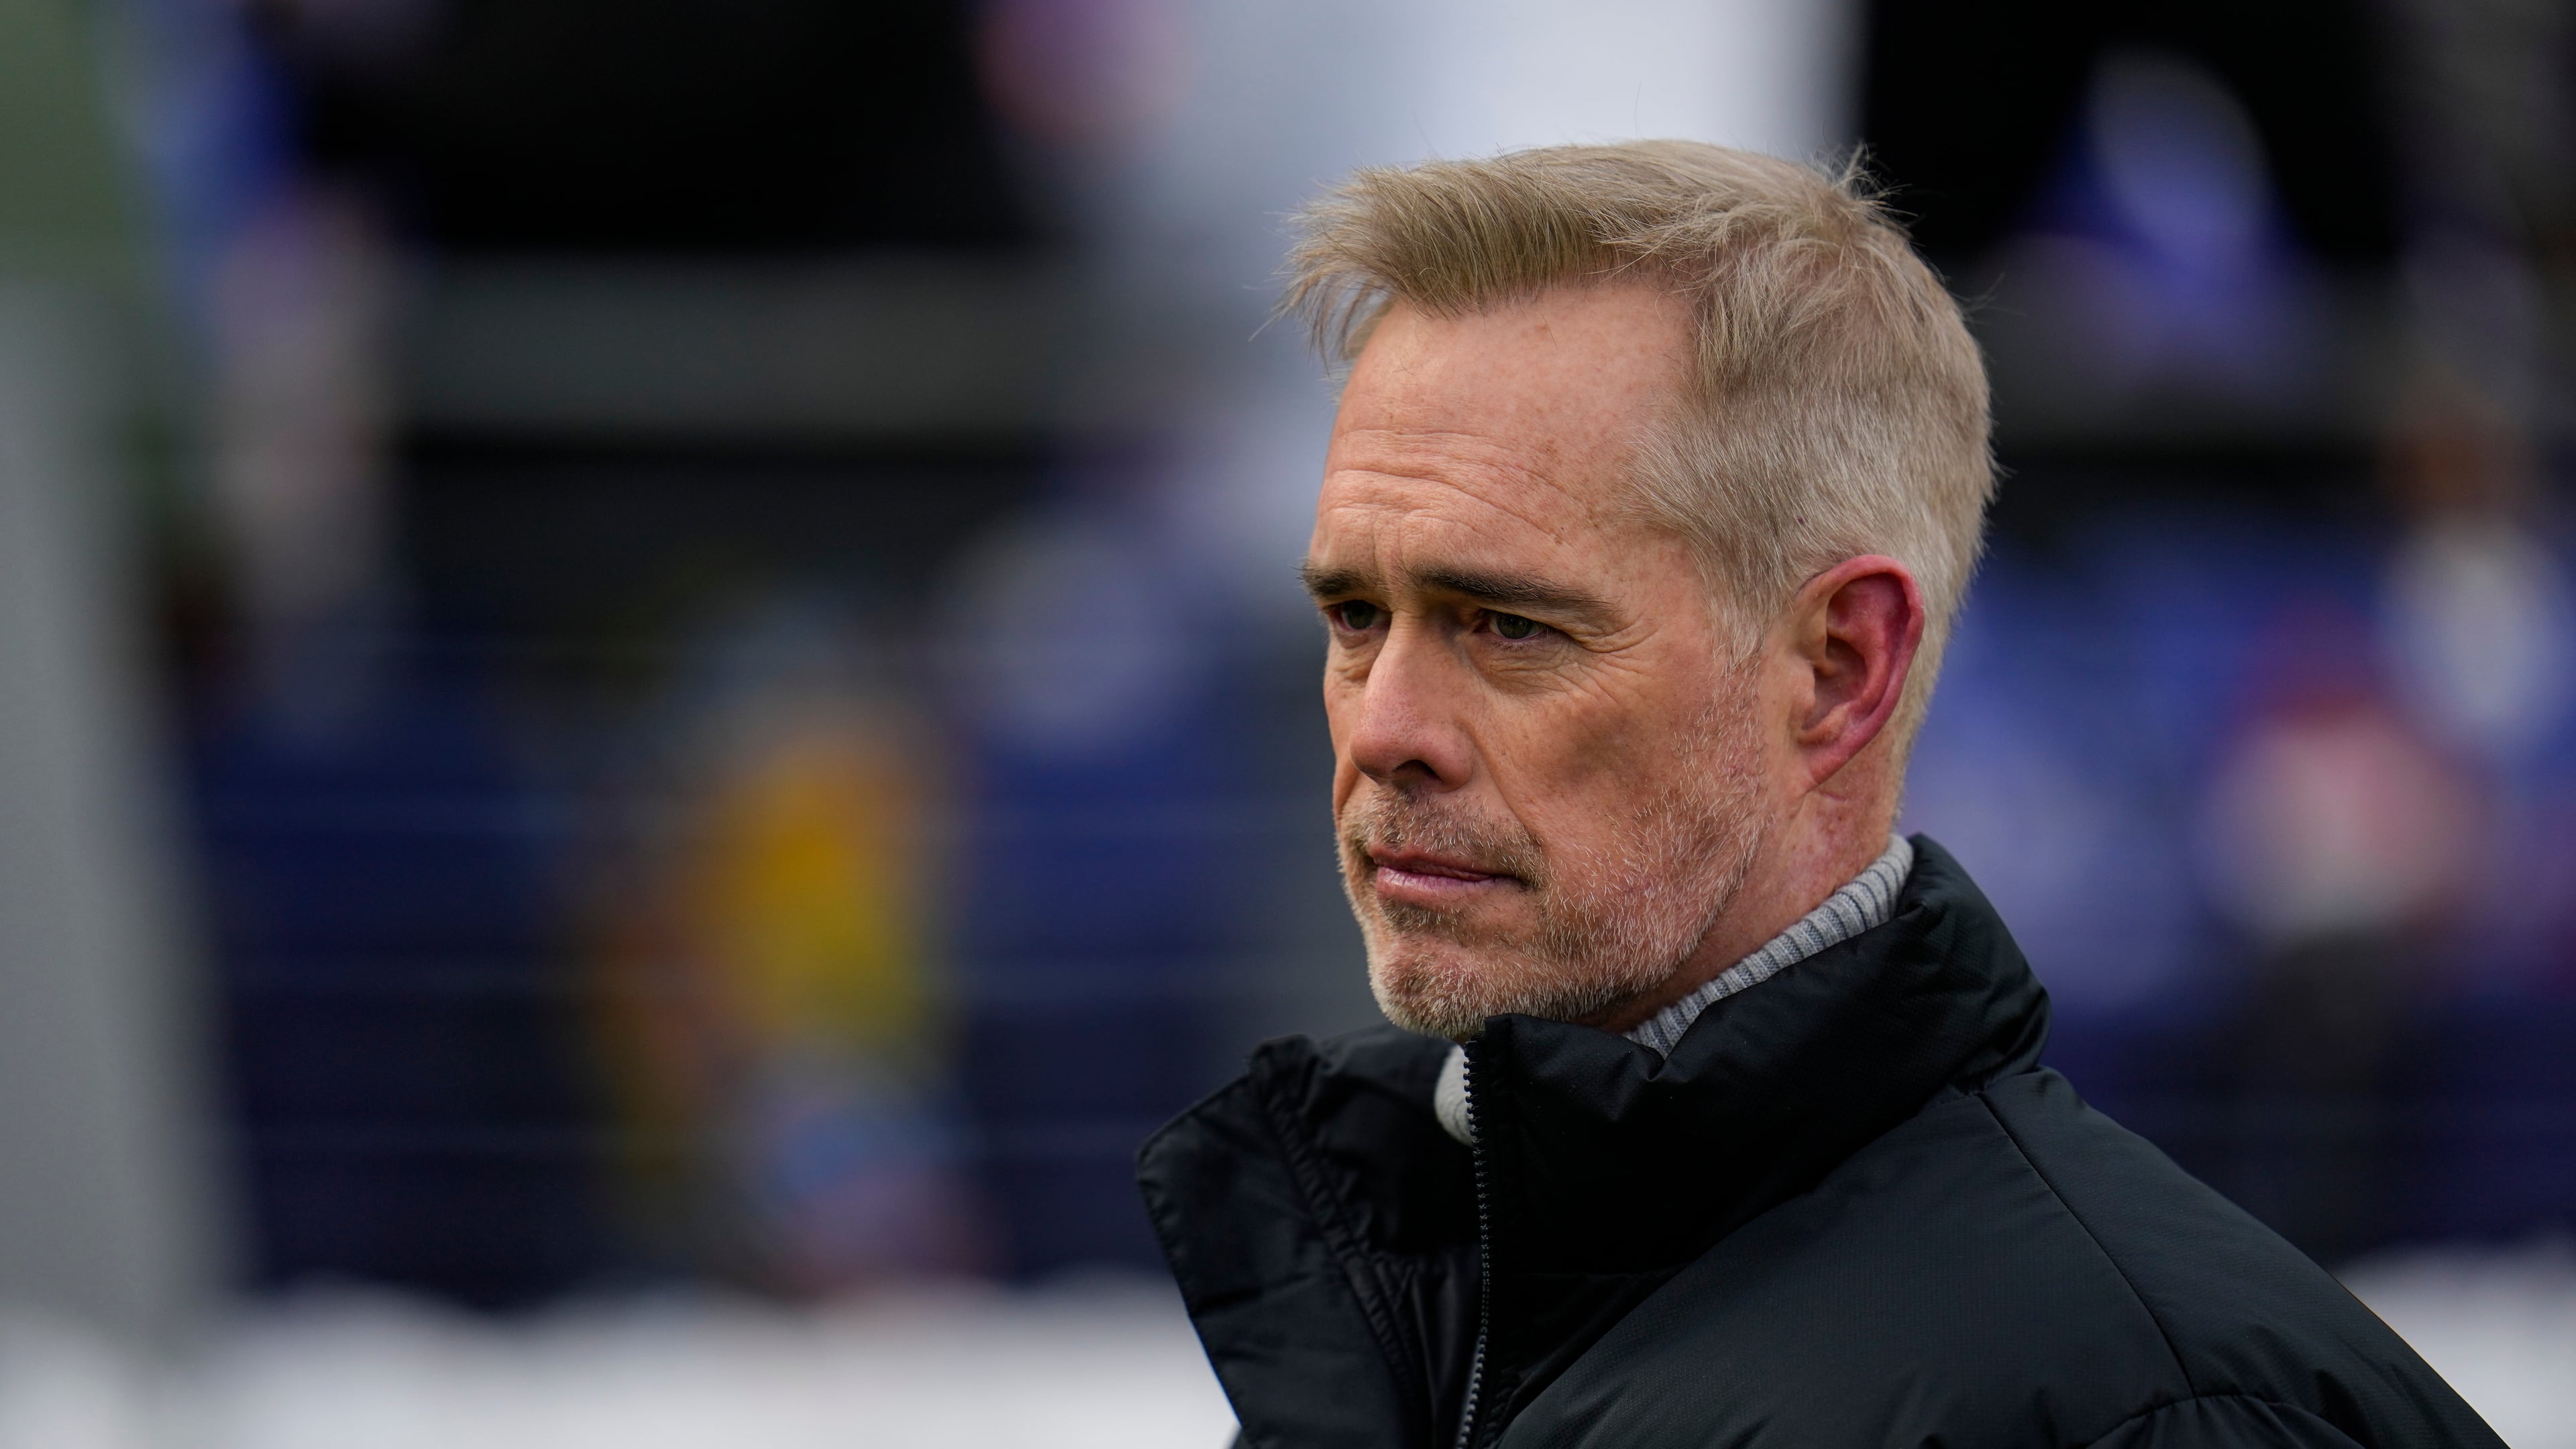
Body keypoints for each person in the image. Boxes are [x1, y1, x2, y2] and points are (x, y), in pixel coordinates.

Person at [1134, 142, 2502, 1449]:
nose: (1385, 727)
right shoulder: (1427, 1308)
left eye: (1507, 627)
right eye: (1355, 614)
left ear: (1841, 666)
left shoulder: (2148, 1407)